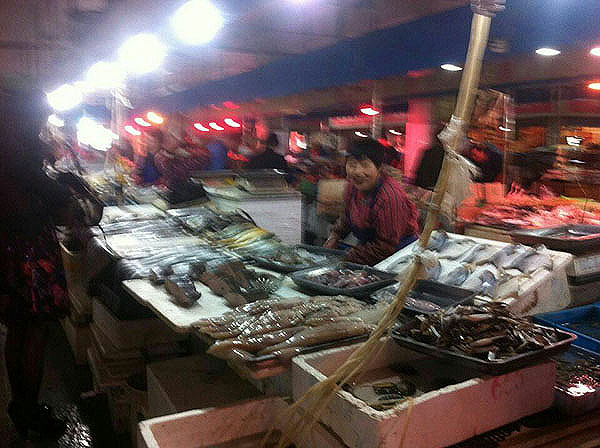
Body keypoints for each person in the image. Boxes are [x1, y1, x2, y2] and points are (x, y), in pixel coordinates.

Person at [0, 89, 95, 440]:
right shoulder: (14, 146)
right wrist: (67, 194)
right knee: (36, 328)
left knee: (18, 327)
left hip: (8, 246)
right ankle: (28, 410)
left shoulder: (7, 142)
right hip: (28, 248)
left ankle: (20, 405)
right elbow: (38, 185)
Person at [324, 139, 419, 265]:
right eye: (352, 164)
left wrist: (346, 258)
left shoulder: (389, 196)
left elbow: (386, 247)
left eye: (365, 165)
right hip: (371, 251)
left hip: (397, 258)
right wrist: (335, 235)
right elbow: (348, 216)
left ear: (379, 168)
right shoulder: (352, 188)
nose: (357, 172)